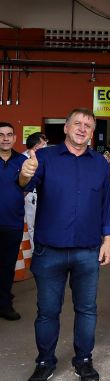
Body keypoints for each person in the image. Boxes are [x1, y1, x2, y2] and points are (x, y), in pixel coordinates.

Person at [18, 108, 110, 381]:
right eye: (77, 123)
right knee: (47, 311)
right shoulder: (44, 158)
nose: (82, 128)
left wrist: (108, 239)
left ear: (92, 132)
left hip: (88, 250)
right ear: (66, 128)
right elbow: (25, 185)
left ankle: (83, 359)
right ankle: (45, 362)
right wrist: (24, 174)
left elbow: (106, 203)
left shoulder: (99, 163)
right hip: (50, 250)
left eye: (88, 125)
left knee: (87, 309)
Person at [0, 122, 27, 321]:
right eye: (1, 135)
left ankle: (4, 304)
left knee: (7, 266)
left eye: (9, 134)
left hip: (12, 223)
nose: (5, 138)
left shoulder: (22, 161)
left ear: (15, 138)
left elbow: (27, 186)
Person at [23, 132, 48, 246]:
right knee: (31, 225)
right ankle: (34, 251)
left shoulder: (45, 159)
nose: (45, 146)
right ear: (36, 146)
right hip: (29, 196)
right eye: (44, 143)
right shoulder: (22, 159)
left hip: (43, 196)